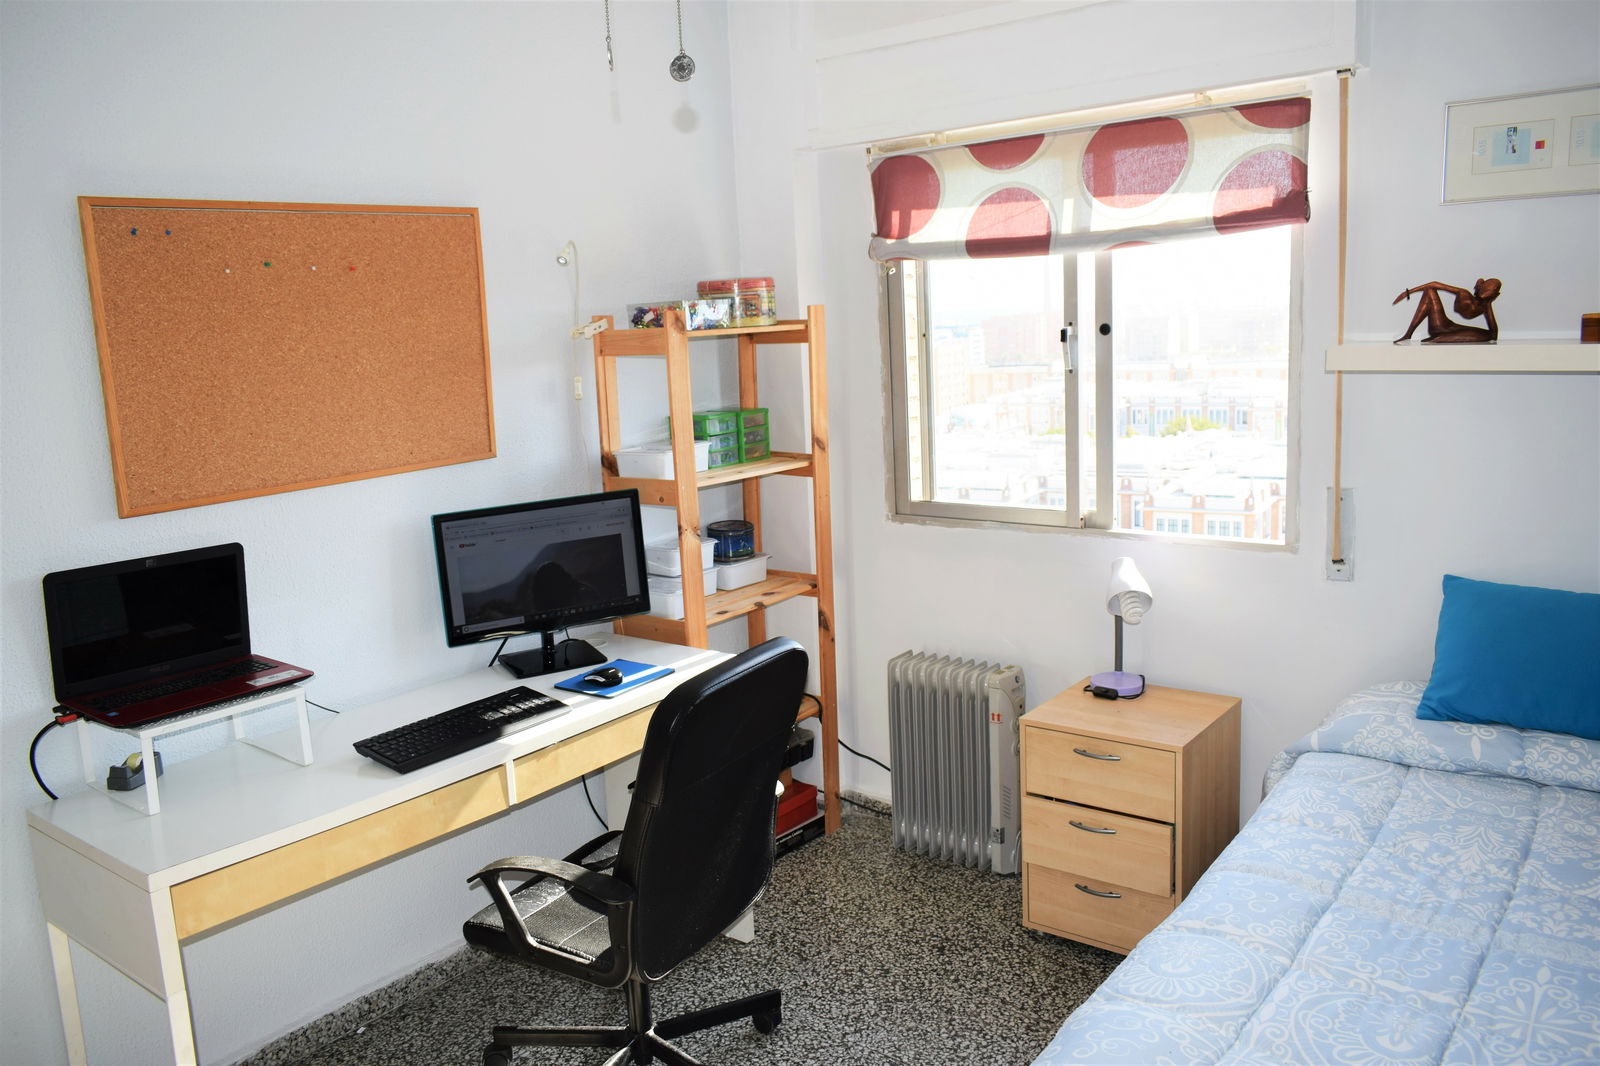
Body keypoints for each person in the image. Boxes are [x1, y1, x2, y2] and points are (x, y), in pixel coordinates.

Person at [1393, 278, 1501, 343]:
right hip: (1440, 325)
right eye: (1487, 288)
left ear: (1496, 294)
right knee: (1430, 292)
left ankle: (1441, 338)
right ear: (1481, 286)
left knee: (1487, 335)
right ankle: (1408, 334)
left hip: (1453, 329)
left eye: (1493, 290)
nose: (1488, 291)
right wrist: (1407, 293)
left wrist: (1489, 303)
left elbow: (1493, 335)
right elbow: (1434, 284)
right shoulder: (1464, 294)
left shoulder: (1485, 306)